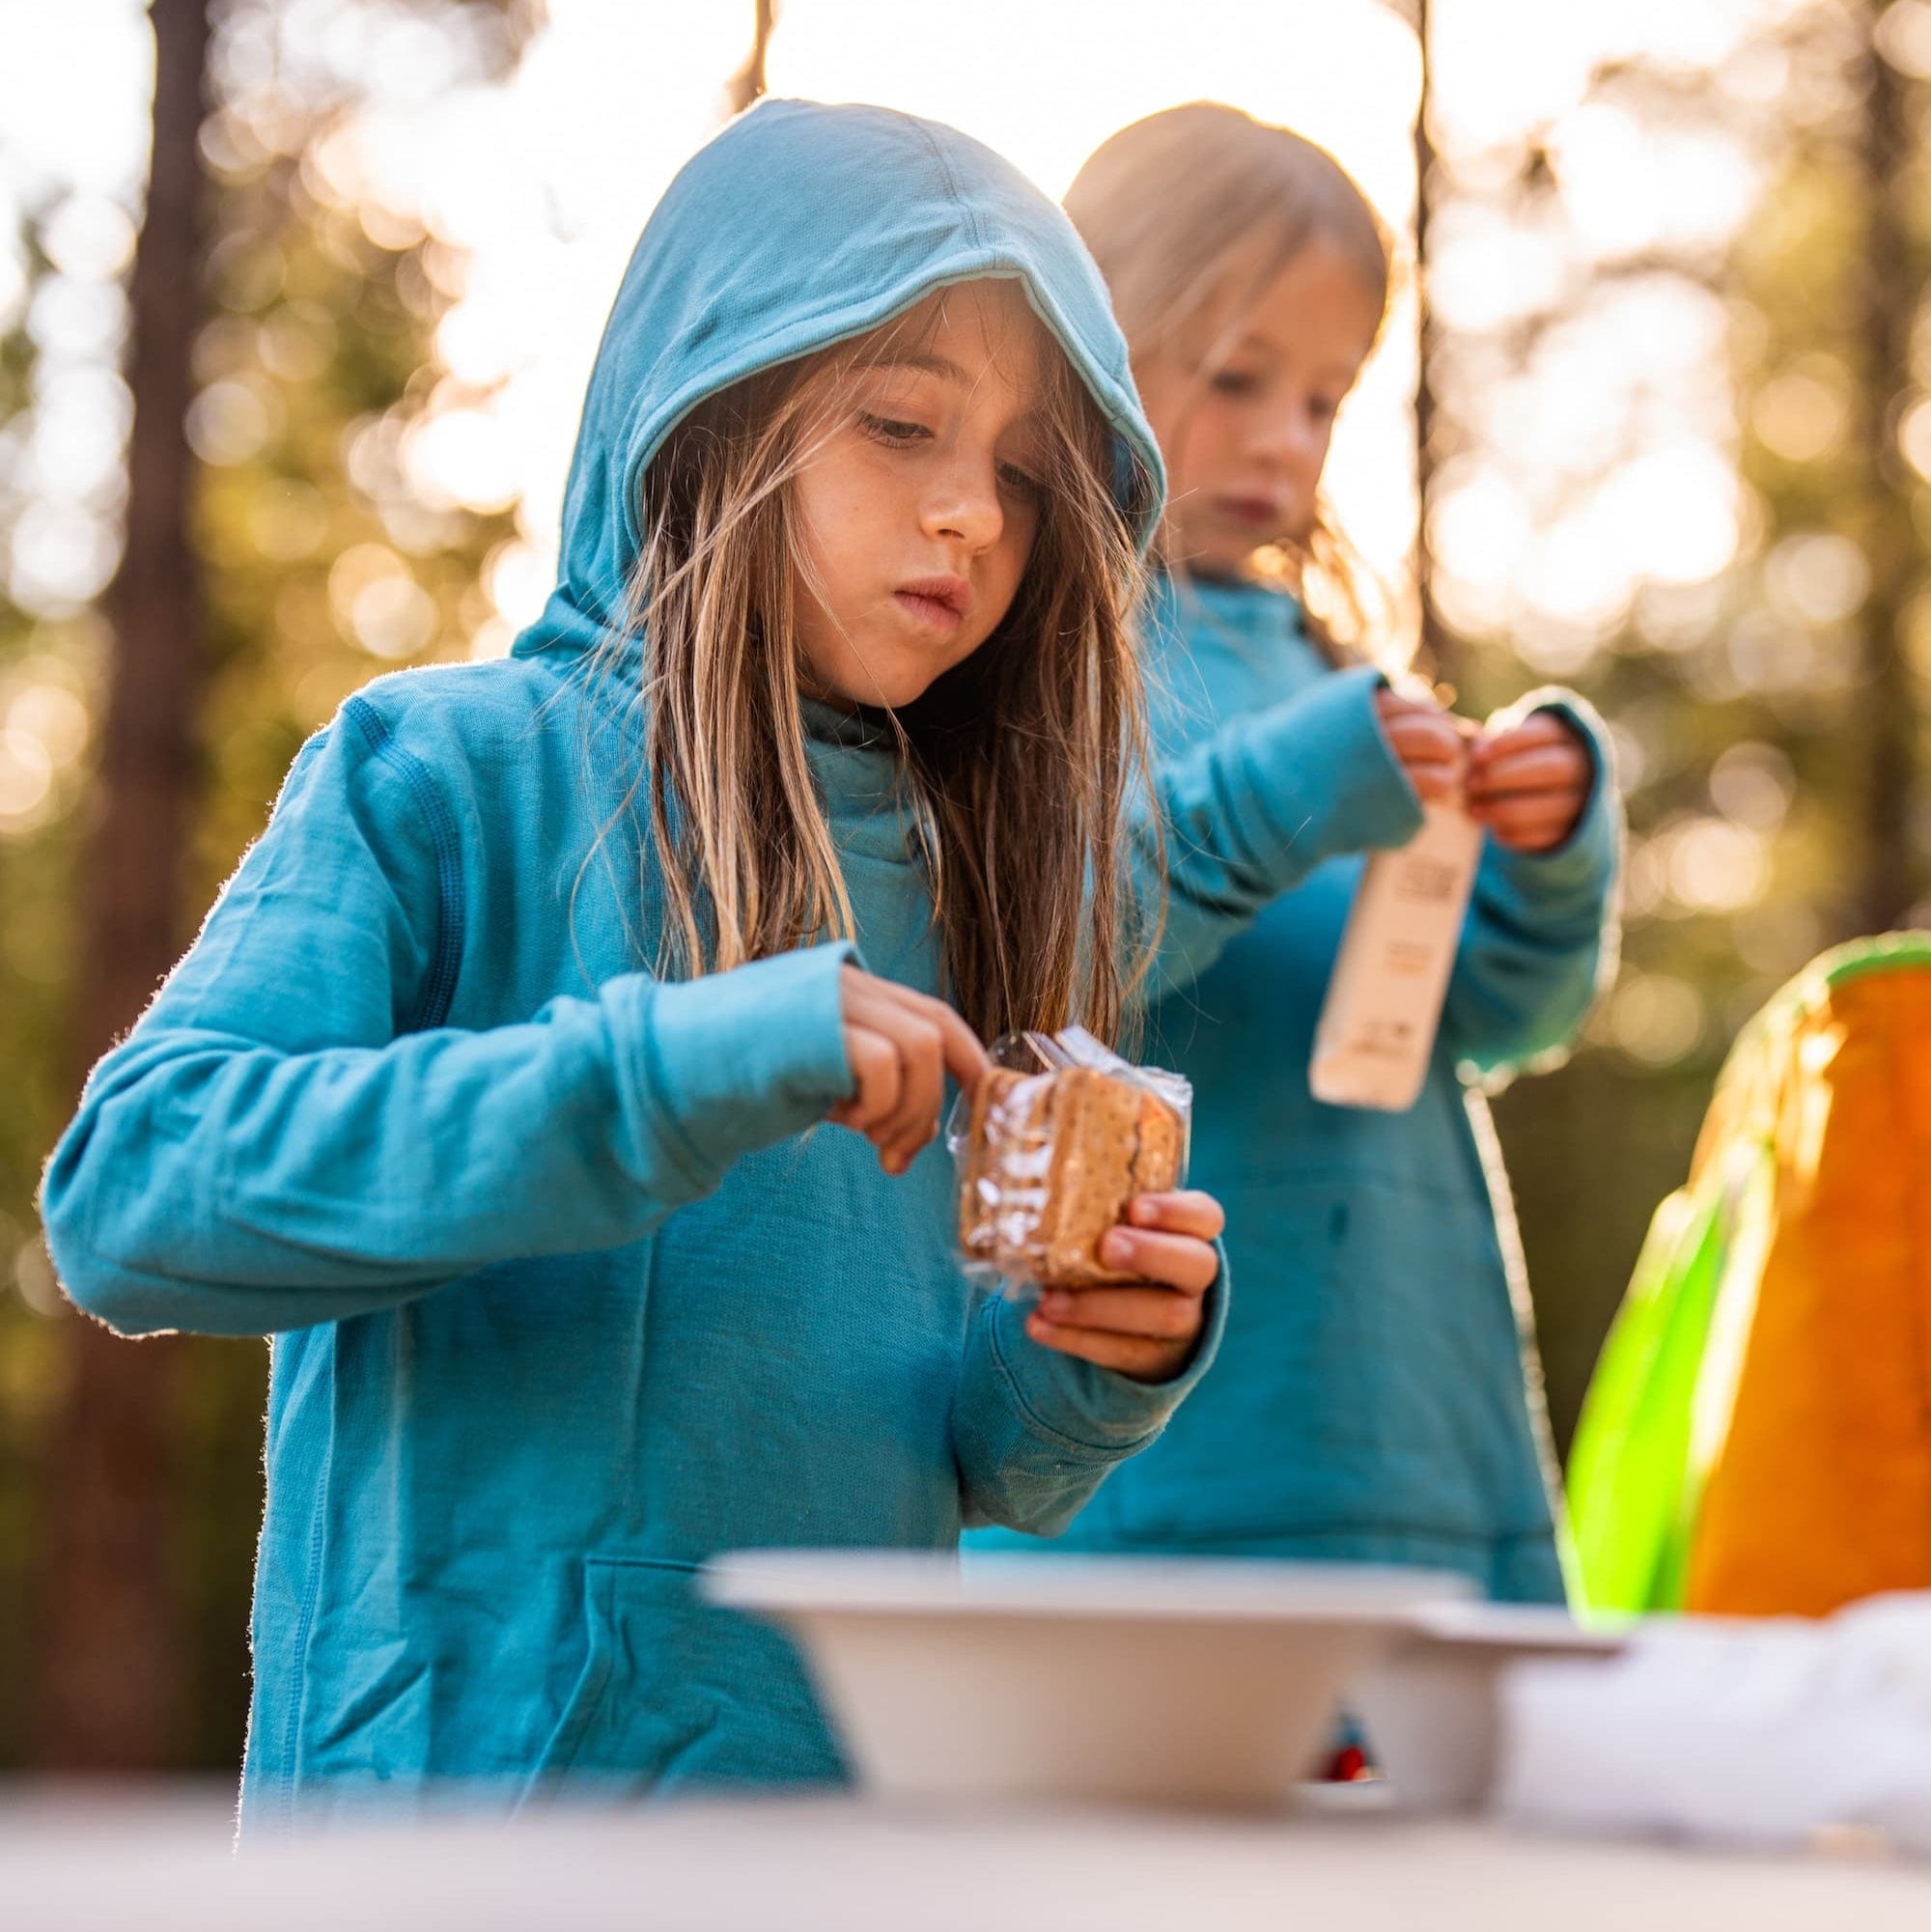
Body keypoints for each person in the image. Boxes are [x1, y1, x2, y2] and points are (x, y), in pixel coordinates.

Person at [40, 101, 1239, 1829]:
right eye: (902, 422)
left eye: (1032, 471)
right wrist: (658, 1071)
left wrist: (1101, 1348)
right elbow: (134, 1194)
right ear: (705, 410)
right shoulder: (449, 778)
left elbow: (968, 1456)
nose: (974, 510)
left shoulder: (968, 879)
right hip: (443, 1832)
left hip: (835, 1840)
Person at [976, 102, 1623, 1606]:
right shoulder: (1021, 656)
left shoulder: (1340, 671)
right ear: (1086, 344)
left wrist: (1549, 852)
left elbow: (1493, 1020)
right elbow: (1033, 955)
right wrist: (1293, 786)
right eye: (1239, 378)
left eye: (1326, 399)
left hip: (1413, 1437)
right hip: (1148, 1492)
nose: (1286, 439)